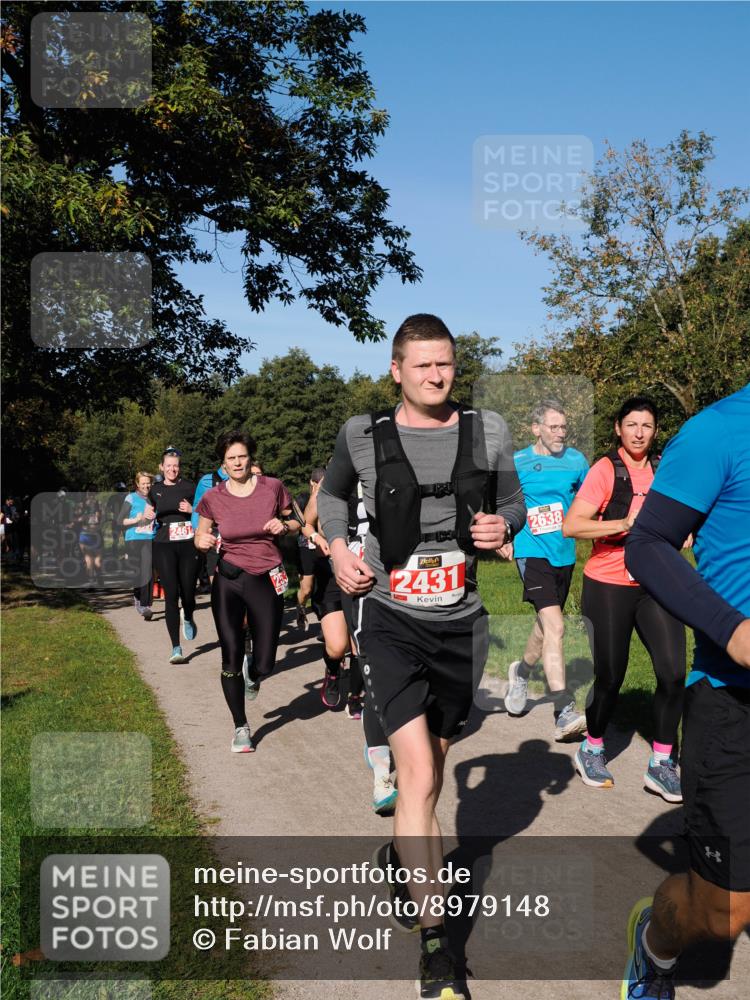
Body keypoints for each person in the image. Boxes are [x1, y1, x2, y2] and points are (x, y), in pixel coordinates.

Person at [318, 313, 526, 1000]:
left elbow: (515, 506)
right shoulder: (363, 435)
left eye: (446, 365)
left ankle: (401, 862)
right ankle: (438, 950)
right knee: (415, 776)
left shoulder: (486, 431)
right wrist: (343, 550)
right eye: (423, 365)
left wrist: (503, 525)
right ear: (396, 369)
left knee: (434, 774)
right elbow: (329, 500)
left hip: (461, 622)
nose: (437, 376)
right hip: (391, 620)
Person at [620, 384, 750, 999]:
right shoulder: (718, 432)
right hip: (732, 701)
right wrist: (733, 630)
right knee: (724, 912)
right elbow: (647, 546)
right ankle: (655, 947)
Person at [562, 397, 687, 801]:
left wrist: (686, 531)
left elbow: (684, 513)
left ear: (655, 431)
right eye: (631, 425)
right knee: (611, 676)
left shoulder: (665, 469)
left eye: (647, 426)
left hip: (655, 583)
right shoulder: (605, 470)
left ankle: (663, 762)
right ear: (618, 427)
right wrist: (624, 523)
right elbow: (572, 526)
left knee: (672, 673)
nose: (638, 433)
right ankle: (592, 748)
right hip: (608, 585)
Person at [195, 430, 299, 752]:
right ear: (223, 464)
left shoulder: (273, 487)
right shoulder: (213, 497)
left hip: (265, 577)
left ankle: (254, 672)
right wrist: (203, 542)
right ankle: (240, 726)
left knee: (266, 661)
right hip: (228, 578)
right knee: (230, 656)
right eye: (230, 459)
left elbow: (296, 521)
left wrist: (284, 526)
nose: (237, 462)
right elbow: (200, 535)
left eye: (242, 456)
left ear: (250, 457)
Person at [500, 398, 588, 740]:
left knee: (545, 626)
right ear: (536, 429)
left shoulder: (576, 461)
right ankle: (564, 710)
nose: (560, 433)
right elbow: (501, 502)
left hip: (564, 553)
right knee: (556, 625)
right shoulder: (518, 462)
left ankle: (520, 672)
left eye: (563, 427)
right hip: (530, 550)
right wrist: (504, 534)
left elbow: (587, 500)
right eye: (553, 427)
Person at [149, 447, 199, 663]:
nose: (172, 469)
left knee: (188, 591)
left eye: (175, 466)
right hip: (163, 543)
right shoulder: (155, 489)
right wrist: (146, 515)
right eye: (168, 466)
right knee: (171, 594)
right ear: (162, 467)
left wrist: (192, 509)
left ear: (179, 468)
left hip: (187, 542)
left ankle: (188, 615)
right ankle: (176, 648)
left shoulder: (189, 487)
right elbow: (149, 512)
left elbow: (203, 511)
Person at [303, 477, 350, 709]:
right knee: (337, 646)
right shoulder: (324, 491)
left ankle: (359, 696)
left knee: (362, 645)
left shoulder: (375, 483)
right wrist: (316, 537)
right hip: (330, 574)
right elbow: (305, 523)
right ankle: (333, 673)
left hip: (367, 571)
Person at [121, 472, 156, 619]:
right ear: (137, 484)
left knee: (147, 569)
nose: (146, 486)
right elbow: (120, 521)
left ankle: (145, 605)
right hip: (134, 538)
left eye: (148, 483)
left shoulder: (154, 498)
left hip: (150, 537)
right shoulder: (131, 498)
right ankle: (137, 595)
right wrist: (137, 520)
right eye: (143, 483)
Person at [295, 468, 325, 632]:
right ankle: (300, 607)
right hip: (306, 547)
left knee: (324, 586)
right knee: (306, 588)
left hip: (325, 548)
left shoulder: (332, 496)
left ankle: (326, 621)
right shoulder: (302, 498)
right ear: (312, 483)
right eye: (317, 483)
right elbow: (300, 523)